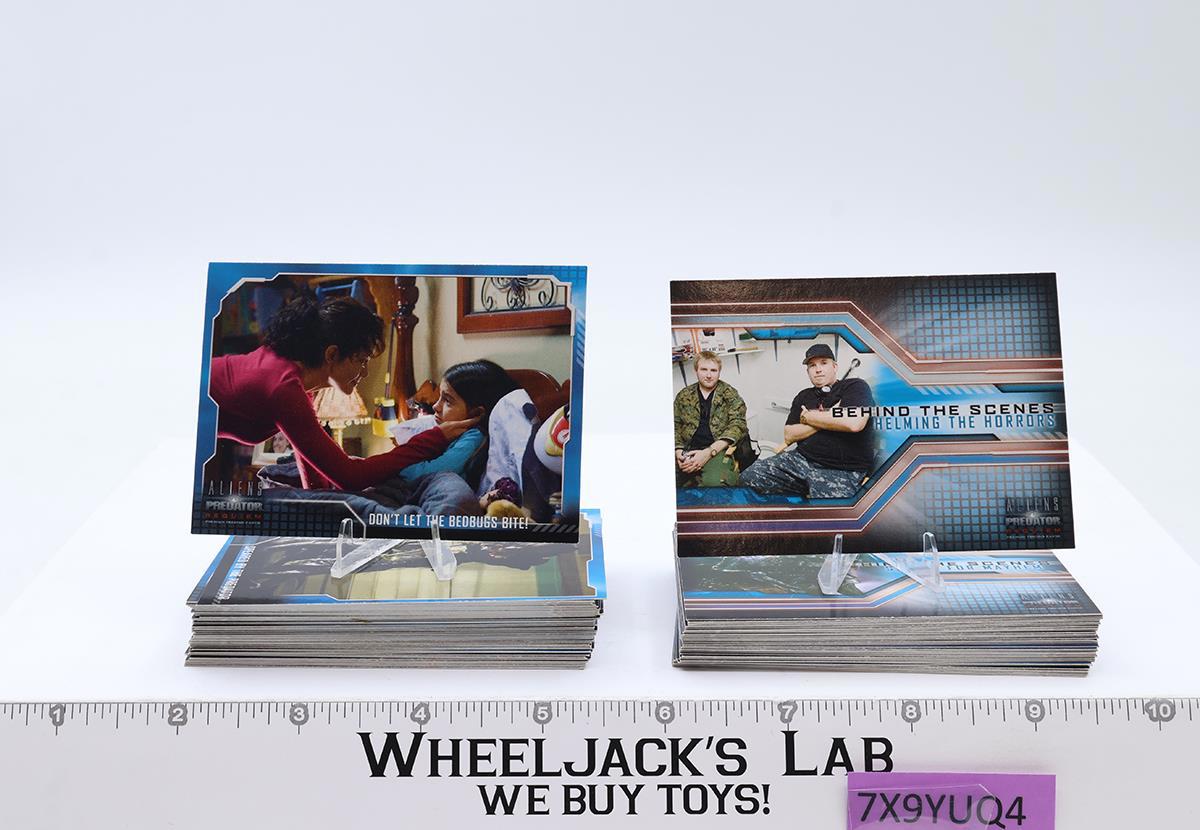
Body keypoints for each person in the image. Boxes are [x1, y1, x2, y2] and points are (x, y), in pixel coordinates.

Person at [210, 295, 478, 490]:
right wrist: (433, 438)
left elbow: (310, 463)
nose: (365, 372)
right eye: (361, 360)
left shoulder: (296, 380)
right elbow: (351, 476)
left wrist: (323, 506)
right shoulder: (282, 386)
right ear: (332, 354)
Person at [739, 343, 875, 498]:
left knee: (828, 510)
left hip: (842, 470)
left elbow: (854, 423)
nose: (818, 369)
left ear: (835, 367)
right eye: (812, 365)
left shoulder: (855, 386)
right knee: (747, 478)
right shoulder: (803, 396)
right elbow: (789, 435)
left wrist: (809, 417)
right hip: (800, 460)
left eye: (824, 363)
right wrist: (829, 417)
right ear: (808, 371)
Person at [394, 359, 520, 486]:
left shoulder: (473, 437)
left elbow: (426, 473)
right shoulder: (452, 431)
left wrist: (400, 468)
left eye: (447, 401)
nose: (435, 406)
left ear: (476, 413)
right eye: (439, 397)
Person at [673, 351, 748, 487]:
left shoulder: (730, 394)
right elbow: (675, 425)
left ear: (719, 372)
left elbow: (738, 425)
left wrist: (708, 453)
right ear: (696, 370)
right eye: (704, 369)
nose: (708, 375)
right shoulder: (684, 395)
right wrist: (678, 451)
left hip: (717, 449)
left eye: (713, 370)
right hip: (687, 449)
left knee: (715, 485)